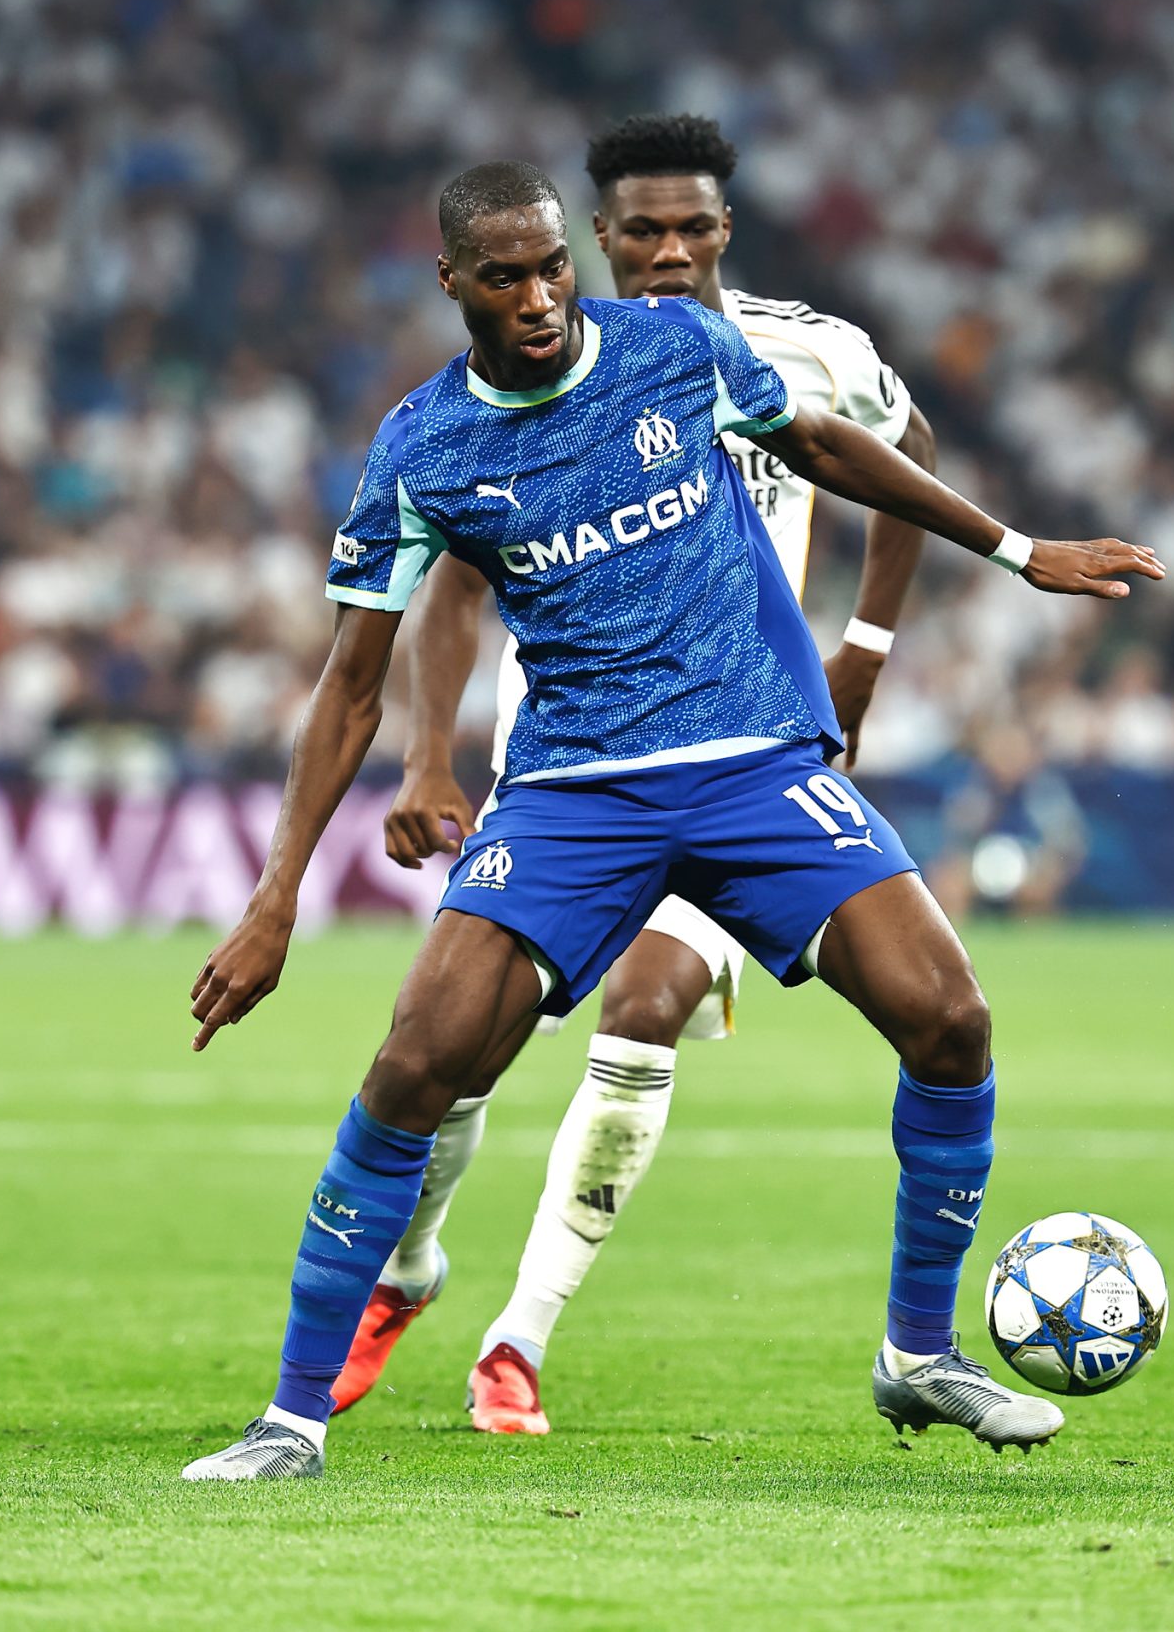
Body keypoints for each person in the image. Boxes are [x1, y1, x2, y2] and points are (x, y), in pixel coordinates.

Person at [178, 160, 1163, 1481]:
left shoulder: (676, 345)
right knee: (418, 1060)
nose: (538, 298)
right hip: (577, 791)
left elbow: (822, 442)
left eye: (550, 269)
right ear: (453, 283)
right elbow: (349, 679)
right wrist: (275, 893)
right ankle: (292, 1416)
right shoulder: (425, 444)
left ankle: (916, 1354)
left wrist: (1020, 551)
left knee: (950, 1014)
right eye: (506, 277)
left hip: (756, 762)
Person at [336, 113, 941, 1435]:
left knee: (648, 1000)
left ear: (728, 231)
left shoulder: (812, 351)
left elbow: (908, 453)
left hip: (739, 753)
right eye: (641, 233)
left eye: (695, 229)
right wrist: (429, 752)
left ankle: (522, 1334)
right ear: (596, 239)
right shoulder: (548, 374)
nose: (668, 254)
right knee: (458, 1055)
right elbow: (446, 587)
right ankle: (406, 1265)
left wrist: (866, 649)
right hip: (571, 765)